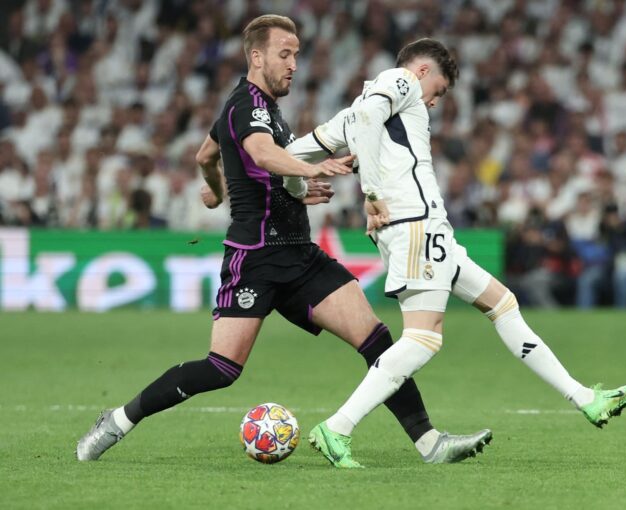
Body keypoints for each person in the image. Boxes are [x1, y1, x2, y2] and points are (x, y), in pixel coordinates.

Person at [76, 15, 489, 465]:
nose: (294, 64)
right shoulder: (245, 105)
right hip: (254, 258)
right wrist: (310, 169)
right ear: (257, 57)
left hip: (300, 255)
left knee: (376, 339)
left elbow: (206, 153)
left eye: (296, 54)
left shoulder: (268, 110)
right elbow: (260, 152)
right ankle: (116, 420)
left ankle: (430, 444)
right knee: (221, 368)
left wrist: (217, 187)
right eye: (284, 54)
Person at [284, 38, 626, 468]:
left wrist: (298, 188)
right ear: (425, 72)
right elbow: (373, 113)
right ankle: (338, 427)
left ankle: (584, 398)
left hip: (432, 232)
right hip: (413, 225)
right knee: (423, 340)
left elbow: (291, 156)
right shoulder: (401, 81)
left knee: (503, 304)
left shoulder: (348, 119)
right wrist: (371, 191)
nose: (433, 102)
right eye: (440, 91)